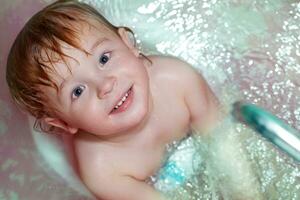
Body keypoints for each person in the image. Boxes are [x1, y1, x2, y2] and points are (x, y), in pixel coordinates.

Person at [6, 0, 220, 199]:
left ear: (128, 43)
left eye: (104, 58)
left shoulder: (178, 80)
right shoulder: (101, 170)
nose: (105, 85)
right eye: (78, 91)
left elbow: (223, 138)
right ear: (63, 123)